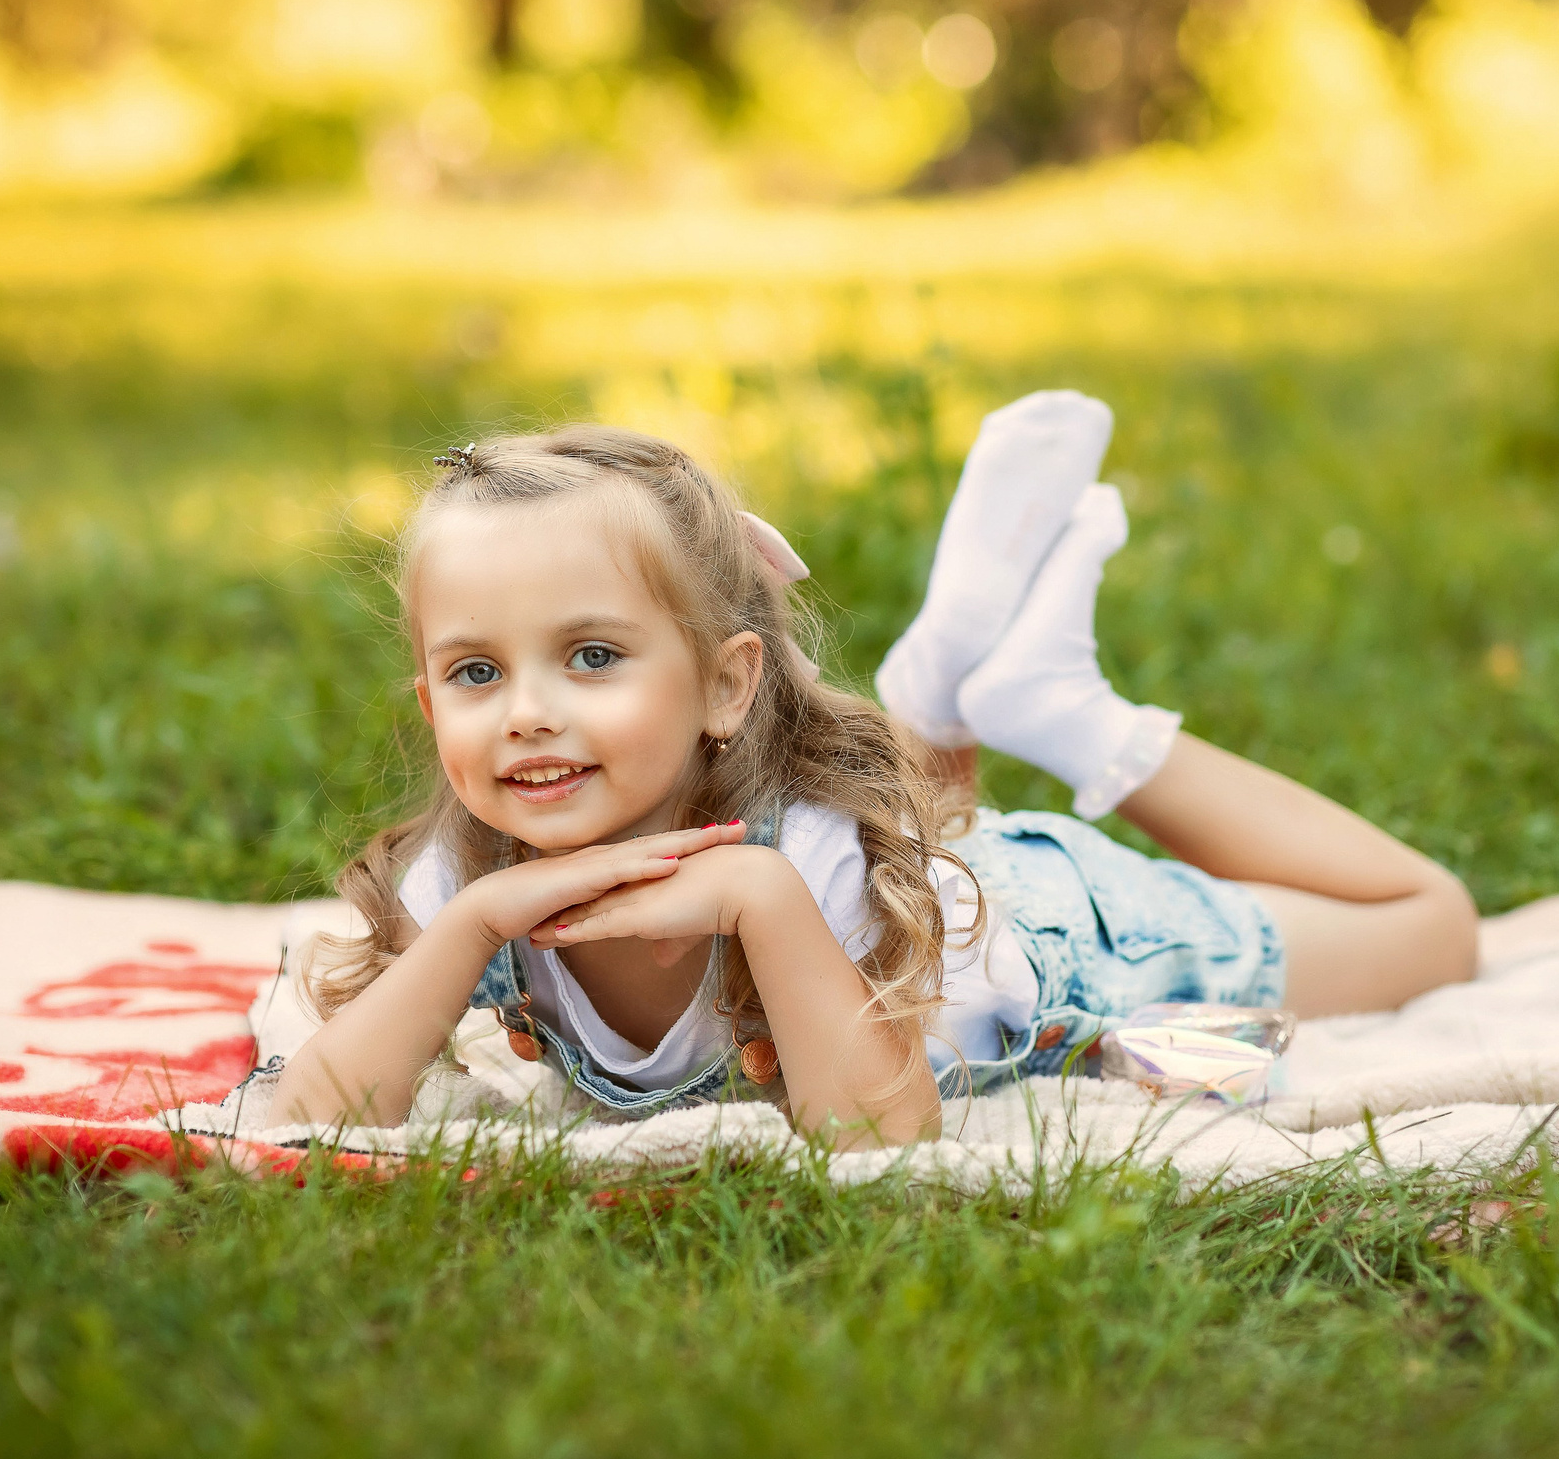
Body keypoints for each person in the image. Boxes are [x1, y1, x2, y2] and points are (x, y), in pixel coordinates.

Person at [277, 396, 1478, 1146]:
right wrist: (479, 918)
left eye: (591, 656)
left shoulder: (804, 856)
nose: (528, 714)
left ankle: (1069, 714)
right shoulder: (472, 872)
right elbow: (316, 1119)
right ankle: (945, 712)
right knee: (909, 834)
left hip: (1053, 938)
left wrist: (757, 897)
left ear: (726, 685)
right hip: (909, 865)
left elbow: (872, 1128)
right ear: (430, 703)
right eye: (476, 675)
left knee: (1434, 921)